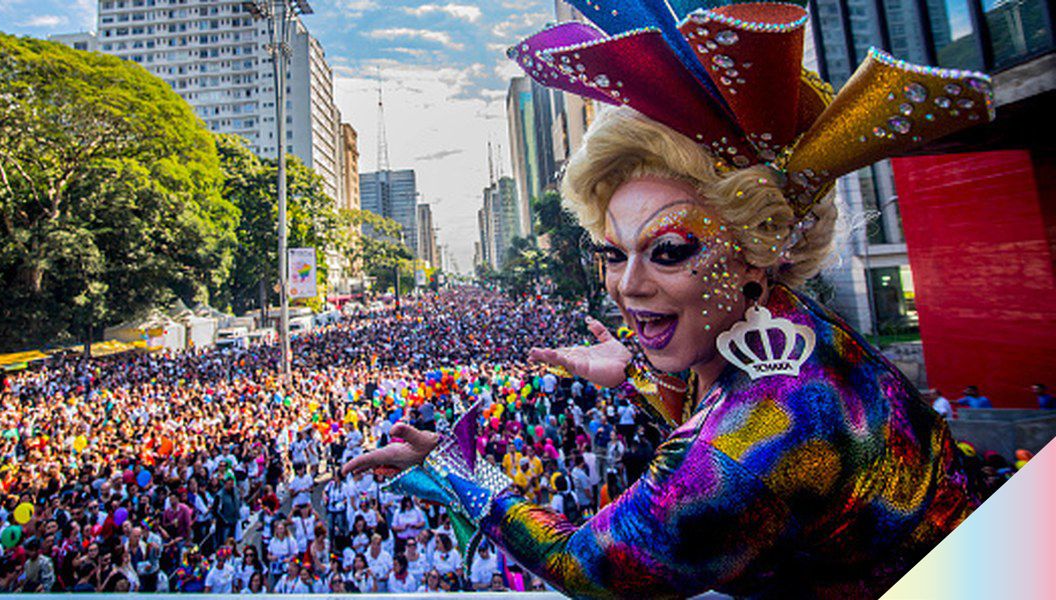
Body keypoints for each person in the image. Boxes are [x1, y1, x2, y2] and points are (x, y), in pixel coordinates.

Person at [344, 2, 991, 596]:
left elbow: (586, 568)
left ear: (758, 250)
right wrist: (635, 373)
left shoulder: (742, 448)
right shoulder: (794, 328)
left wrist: (456, 467)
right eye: (612, 253)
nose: (627, 286)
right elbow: (735, 395)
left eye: (670, 250)